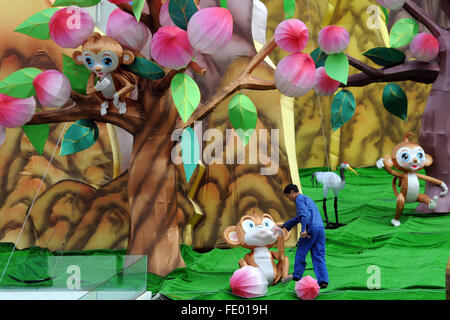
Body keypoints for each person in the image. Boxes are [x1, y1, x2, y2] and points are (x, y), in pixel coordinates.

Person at [278, 184, 329, 288]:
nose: (290, 199)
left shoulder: (298, 200)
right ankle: (323, 281)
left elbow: (304, 216)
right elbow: (299, 218)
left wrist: (303, 230)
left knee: (301, 250)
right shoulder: (308, 199)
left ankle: (297, 275)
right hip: (320, 229)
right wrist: (285, 225)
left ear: (292, 192)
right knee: (318, 255)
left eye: (288, 196)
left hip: (311, 229)